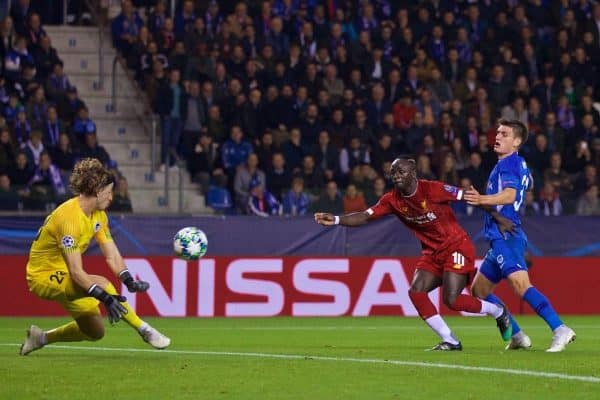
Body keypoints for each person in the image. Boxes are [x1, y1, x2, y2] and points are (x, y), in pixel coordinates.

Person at [314, 158, 512, 351]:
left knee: (451, 300)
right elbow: (366, 216)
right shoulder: (391, 200)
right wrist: (337, 220)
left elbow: (471, 197)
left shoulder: (433, 189)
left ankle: (498, 311)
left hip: (456, 246)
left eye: (401, 171)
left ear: (413, 174)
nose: (396, 176)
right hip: (431, 252)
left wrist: (499, 218)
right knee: (416, 292)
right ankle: (450, 340)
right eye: (393, 172)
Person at [20, 158, 170, 356]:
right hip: (43, 276)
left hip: (67, 274)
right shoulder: (69, 219)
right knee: (102, 283)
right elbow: (76, 272)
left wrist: (128, 280)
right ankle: (144, 329)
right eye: (109, 192)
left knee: (94, 331)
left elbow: (112, 254)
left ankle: (41, 338)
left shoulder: (99, 215)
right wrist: (106, 298)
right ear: (98, 191)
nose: (111, 198)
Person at [465, 118, 575, 352]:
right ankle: (517, 336)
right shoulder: (516, 164)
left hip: (507, 234)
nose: (497, 136)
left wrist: (481, 199)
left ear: (516, 141)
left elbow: (510, 195)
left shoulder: (507, 165)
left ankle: (560, 328)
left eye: (504, 134)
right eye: (497, 132)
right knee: (479, 291)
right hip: (498, 238)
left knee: (521, 284)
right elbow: (528, 183)